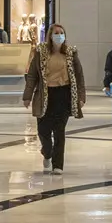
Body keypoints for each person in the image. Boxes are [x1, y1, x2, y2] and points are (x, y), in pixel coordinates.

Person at [22, 24, 86, 175]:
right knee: (43, 131)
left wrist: (81, 96)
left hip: (63, 94)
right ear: (50, 35)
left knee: (59, 131)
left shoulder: (70, 52)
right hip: (45, 94)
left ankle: (58, 165)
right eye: (56, 33)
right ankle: (47, 152)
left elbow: (79, 75)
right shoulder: (41, 52)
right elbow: (32, 76)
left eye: (62, 33)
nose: (59, 35)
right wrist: (27, 96)